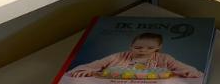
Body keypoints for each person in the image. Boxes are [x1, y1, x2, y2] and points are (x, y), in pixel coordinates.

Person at [67, 32, 202, 79]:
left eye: (150, 48)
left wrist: (190, 73)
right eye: (138, 47)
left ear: (158, 48)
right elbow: (93, 65)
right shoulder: (117, 57)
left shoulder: (165, 59)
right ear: (131, 46)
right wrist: (86, 71)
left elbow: (189, 70)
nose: (143, 51)